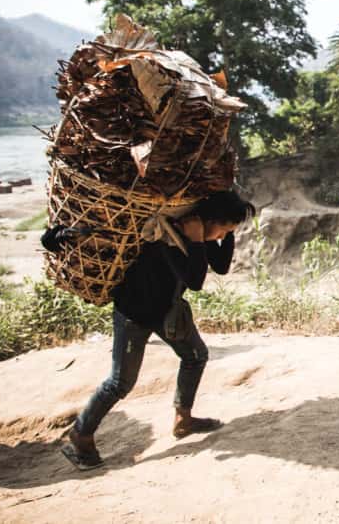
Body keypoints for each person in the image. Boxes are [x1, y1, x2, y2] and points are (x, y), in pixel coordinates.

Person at [60, 190, 256, 470]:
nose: (221, 236)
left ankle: (183, 419)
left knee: (196, 356)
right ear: (209, 221)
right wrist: (201, 239)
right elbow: (196, 280)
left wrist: (227, 232)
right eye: (223, 229)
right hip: (135, 313)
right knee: (120, 382)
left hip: (166, 311)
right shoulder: (167, 235)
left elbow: (221, 266)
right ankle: (81, 434)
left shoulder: (200, 232)